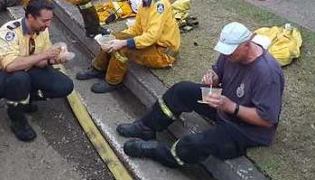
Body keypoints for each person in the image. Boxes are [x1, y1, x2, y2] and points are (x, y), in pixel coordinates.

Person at [117, 22, 284, 168]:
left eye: (230, 53)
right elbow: (218, 71)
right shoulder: (230, 53)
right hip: (223, 105)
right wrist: (213, 77)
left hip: (245, 129)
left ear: (247, 44)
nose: (226, 55)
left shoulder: (267, 74)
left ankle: (165, 155)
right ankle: (146, 127)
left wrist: (230, 106)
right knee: (181, 90)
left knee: (196, 142)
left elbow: (267, 120)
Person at [0, 0, 74, 141]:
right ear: (30, 17)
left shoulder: (42, 30)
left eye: (50, 20)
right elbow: (10, 66)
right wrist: (44, 55)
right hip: (0, 76)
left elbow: (39, 62)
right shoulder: (9, 32)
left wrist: (53, 59)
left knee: (65, 86)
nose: (48, 24)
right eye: (44, 21)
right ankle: (17, 120)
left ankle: (25, 97)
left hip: (26, 70)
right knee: (19, 79)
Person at [76, 0, 179, 93]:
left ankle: (113, 81)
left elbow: (151, 36)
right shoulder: (144, 3)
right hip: (152, 43)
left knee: (123, 49)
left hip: (163, 51)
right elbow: (136, 29)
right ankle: (98, 69)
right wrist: (117, 37)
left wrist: (123, 43)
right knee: (113, 38)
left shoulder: (159, 5)